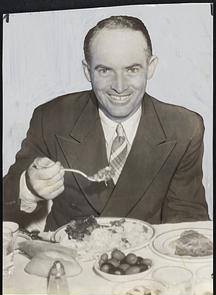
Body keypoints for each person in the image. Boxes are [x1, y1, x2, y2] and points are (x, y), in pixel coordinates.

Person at [3, 15, 210, 231]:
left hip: (144, 259)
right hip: (68, 257)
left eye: (132, 69)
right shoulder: (51, 118)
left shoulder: (185, 128)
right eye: (105, 70)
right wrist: (27, 186)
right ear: (87, 71)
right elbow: (6, 195)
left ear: (150, 67)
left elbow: (188, 220)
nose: (119, 86)